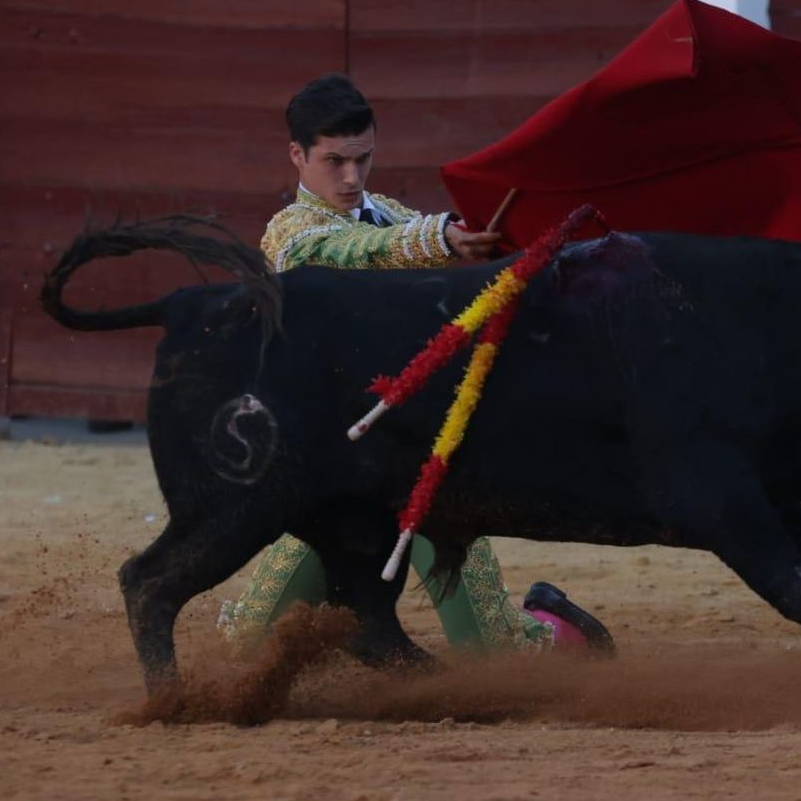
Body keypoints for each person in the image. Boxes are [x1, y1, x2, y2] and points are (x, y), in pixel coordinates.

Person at [216, 73, 613, 655]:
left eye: (363, 159)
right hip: (332, 476)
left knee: (494, 652)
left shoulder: (387, 214)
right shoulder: (293, 235)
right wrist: (439, 241)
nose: (352, 178)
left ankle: (563, 631)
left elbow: (433, 254)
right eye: (334, 162)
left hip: (418, 459)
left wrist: (475, 249)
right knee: (251, 647)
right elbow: (352, 254)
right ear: (297, 156)